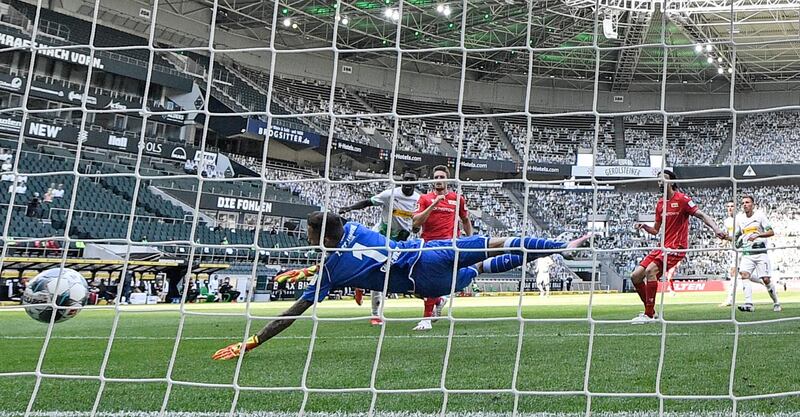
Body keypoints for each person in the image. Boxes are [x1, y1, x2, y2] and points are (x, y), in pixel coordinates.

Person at [211, 211, 591, 360]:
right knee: (494, 246)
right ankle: (563, 246)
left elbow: (292, 313)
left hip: (425, 281)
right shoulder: (355, 229)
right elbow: (346, 253)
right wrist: (312, 270)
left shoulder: (331, 269)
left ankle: (559, 247)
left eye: (309, 233)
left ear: (317, 235)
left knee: (480, 267)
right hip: (428, 254)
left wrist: (254, 340)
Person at [630, 170, 727, 324]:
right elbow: (656, 231)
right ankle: (651, 310)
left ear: (672, 182)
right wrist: (644, 227)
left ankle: (648, 315)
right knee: (635, 276)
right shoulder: (660, 204)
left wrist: (716, 229)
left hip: (677, 247)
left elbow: (701, 215)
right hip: (662, 246)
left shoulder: (682, 199)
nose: (661, 181)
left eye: (664, 179)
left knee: (650, 271)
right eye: (659, 179)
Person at [339, 170, 421, 326]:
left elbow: (419, 221)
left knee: (389, 273)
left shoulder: (418, 200)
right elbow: (368, 202)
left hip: (400, 242)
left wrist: (417, 229)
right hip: (380, 238)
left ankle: (361, 286)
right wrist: (349, 208)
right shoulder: (390, 194)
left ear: (416, 182)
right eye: (406, 178)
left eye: (412, 180)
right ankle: (375, 314)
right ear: (401, 180)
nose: (408, 182)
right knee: (380, 272)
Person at [411, 165, 473, 331]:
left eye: (441, 177)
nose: (438, 180)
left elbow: (465, 220)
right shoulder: (424, 199)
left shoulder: (457, 198)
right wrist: (434, 205)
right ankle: (438, 300)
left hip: (448, 244)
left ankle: (426, 320)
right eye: (436, 177)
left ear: (447, 180)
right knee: (419, 285)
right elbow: (416, 222)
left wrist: (471, 238)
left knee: (431, 279)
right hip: (428, 243)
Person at [731, 195, 780, 312]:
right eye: (743, 203)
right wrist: (731, 240)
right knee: (744, 275)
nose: (745, 205)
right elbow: (737, 235)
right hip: (747, 253)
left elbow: (771, 232)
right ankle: (749, 304)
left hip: (761, 252)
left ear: (753, 205)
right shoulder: (740, 219)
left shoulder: (760, 216)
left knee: (766, 279)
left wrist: (758, 235)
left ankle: (776, 302)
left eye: (747, 202)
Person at [720, 201, 747, 307]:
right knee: (744, 274)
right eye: (728, 206)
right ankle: (771, 285)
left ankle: (730, 299)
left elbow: (741, 234)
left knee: (733, 272)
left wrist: (728, 238)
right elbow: (729, 235)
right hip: (734, 248)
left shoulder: (740, 218)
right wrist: (723, 243)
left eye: (732, 206)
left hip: (742, 248)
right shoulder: (726, 221)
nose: (730, 208)